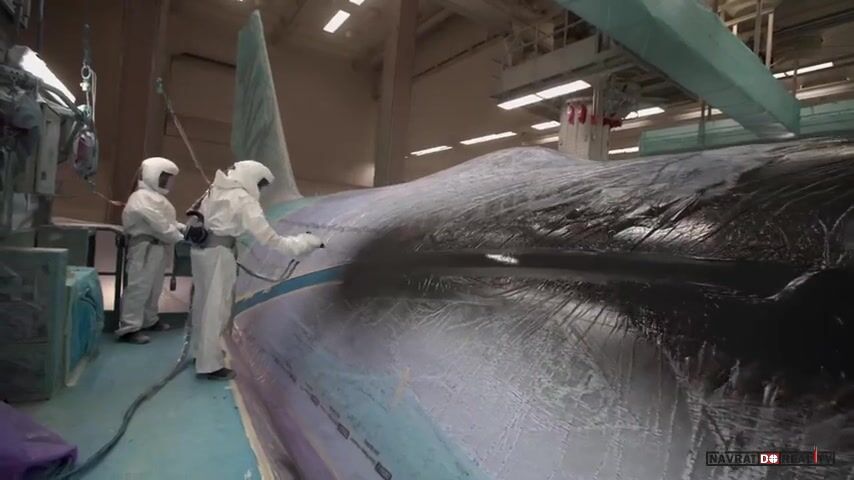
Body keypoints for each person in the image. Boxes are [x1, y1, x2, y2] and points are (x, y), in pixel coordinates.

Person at [190, 160, 322, 380]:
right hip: (220, 254)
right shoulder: (243, 199)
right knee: (216, 309)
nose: (260, 190)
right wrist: (303, 244)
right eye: (260, 184)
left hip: (202, 252)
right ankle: (209, 365)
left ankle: (200, 352)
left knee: (202, 305)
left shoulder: (215, 190)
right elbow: (269, 238)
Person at [116, 157, 185, 344]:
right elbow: (160, 225)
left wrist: (184, 228)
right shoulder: (141, 197)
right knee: (139, 288)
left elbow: (168, 222)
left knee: (154, 288)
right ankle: (129, 328)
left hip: (158, 248)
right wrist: (181, 237)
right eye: (166, 178)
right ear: (154, 175)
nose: (169, 182)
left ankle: (149, 320)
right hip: (145, 249)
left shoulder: (156, 198)